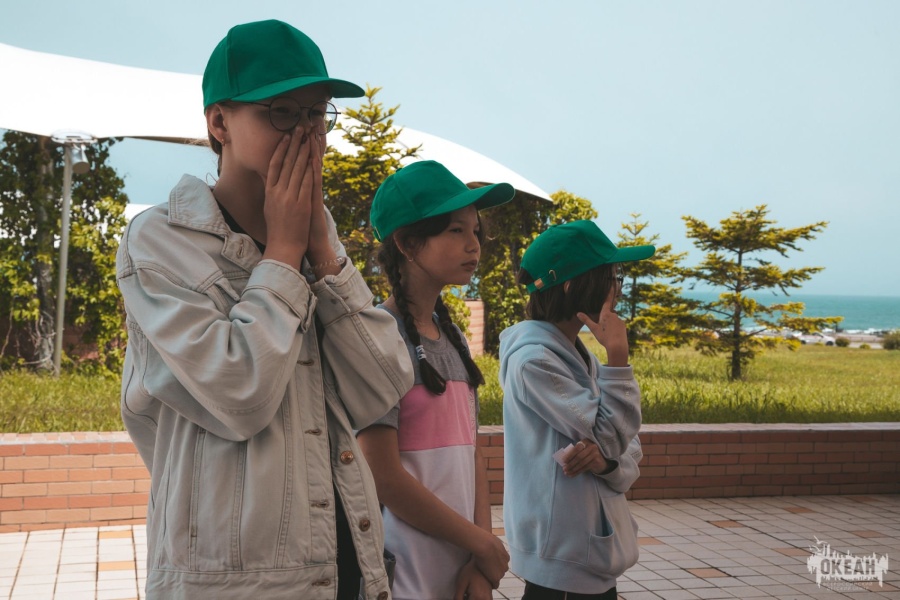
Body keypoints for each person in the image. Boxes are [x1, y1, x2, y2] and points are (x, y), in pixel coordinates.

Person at [116, 20, 414, 600]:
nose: (305, 133)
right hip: (233, 581)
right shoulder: (160, 239)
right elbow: (239, 394)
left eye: (316, 114)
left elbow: (382, 385)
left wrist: (320, 248)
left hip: (343, 566)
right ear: (219, 122)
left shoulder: (318, 239)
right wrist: (282, 252)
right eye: (281, 112)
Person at [356, 160, 514, 600]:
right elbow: (383, 476)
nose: (474, 244)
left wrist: (480, 560)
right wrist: (481, 543)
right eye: (455, 230)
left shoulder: (454, 338)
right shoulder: (376, 336)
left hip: (460, 570)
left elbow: (472, 456)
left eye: (475, 230)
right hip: (404, 575)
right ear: (408, 243)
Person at [498, 220, 654, 600]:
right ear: (571, 285)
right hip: (565, 562)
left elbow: (625, 443)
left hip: (586, 555)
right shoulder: (535, 362)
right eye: (610, 276)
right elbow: (612, 435)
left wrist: (607, 463)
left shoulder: (578, 357)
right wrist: (618, 356)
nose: (617, 288)